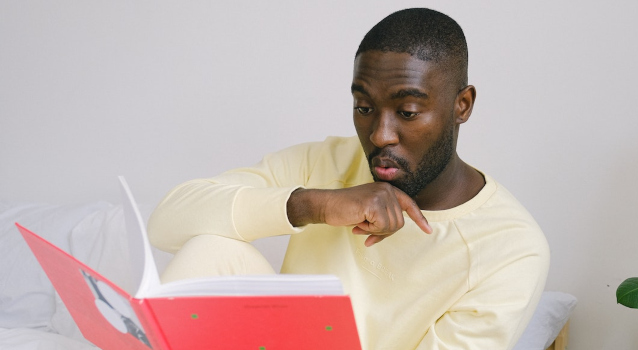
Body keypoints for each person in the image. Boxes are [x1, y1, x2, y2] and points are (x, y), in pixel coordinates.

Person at [147, 8, 549, 350]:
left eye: (407, 111)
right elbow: (165, 225)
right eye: (364, 107)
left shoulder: (511, 248)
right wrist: (313, 205)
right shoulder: (329, 160)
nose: (379, 135)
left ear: (462, 105)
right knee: (212, 247)